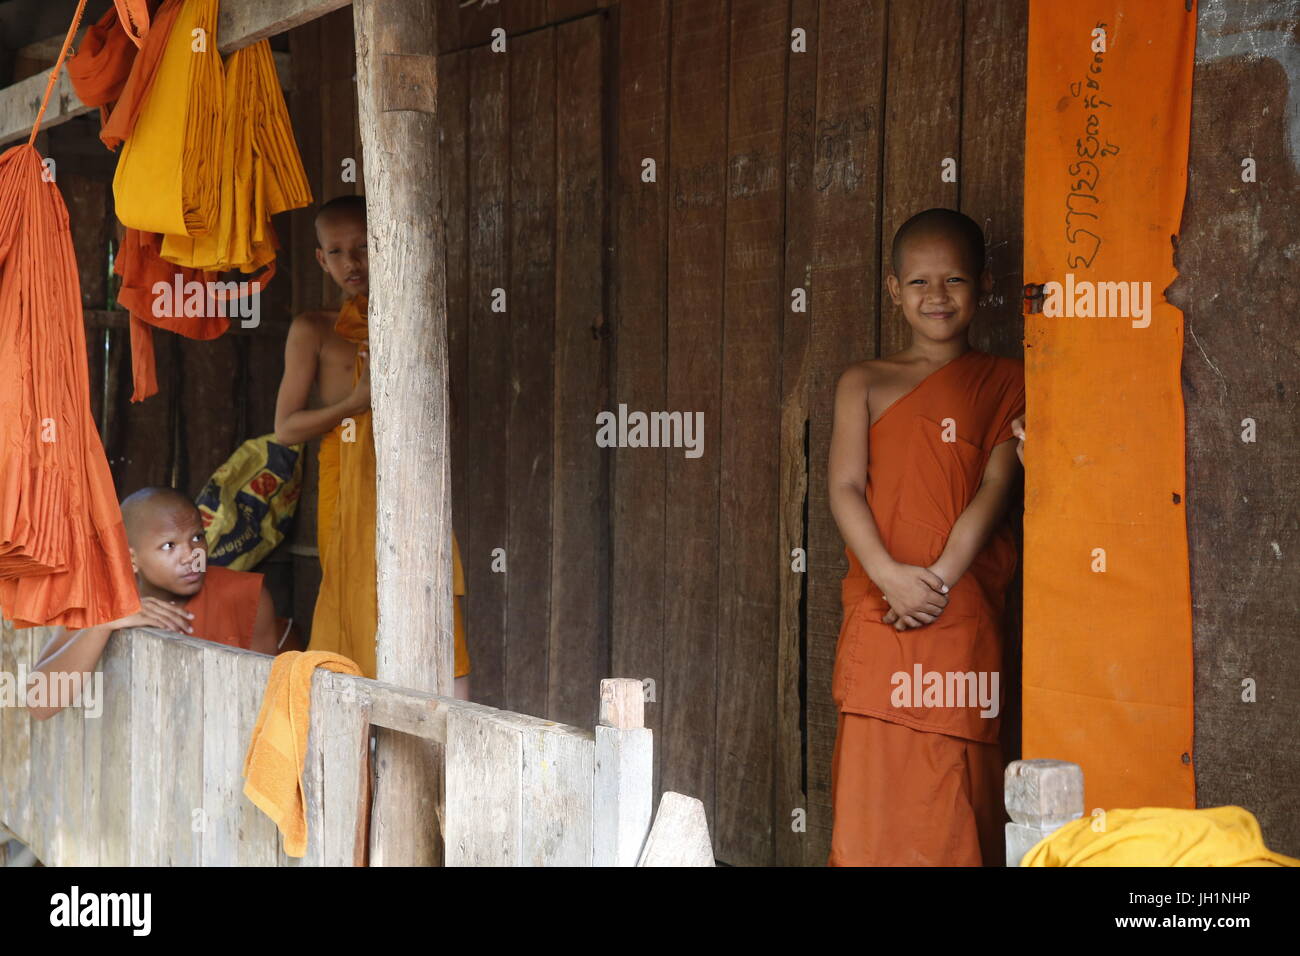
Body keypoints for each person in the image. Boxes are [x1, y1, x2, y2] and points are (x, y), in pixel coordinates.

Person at [826, 208, 1026, 865]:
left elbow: (994, 492)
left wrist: (935, 582)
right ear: (893, 290)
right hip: (883, 609)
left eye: (955, 280)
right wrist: (890, 576)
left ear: (984, 285)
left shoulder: (1009, 382)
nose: (936, 296)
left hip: (957, 613)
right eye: (918, 283)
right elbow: (845, 487)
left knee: (954, 792)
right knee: (875, 792)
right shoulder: (863, 381)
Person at [274, 195, 471, 697]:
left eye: (363, 247)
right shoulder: (313, 329)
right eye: (336, 252)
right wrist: (357, 402)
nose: (352, 263)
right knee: (353, 590)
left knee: (429, 594)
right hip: (345, 486)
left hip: (411, 478)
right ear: (320, 258)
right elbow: (287, 428)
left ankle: (449, 739)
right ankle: (357, 732)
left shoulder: (413, 317)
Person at [27, 486, 281, 720]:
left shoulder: (245, 594)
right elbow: (39, 702)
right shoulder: (101, 599)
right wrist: (103, 625)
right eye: (169, 545)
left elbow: (266, 700)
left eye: (196, 538)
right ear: (131, 558)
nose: (191, 556)